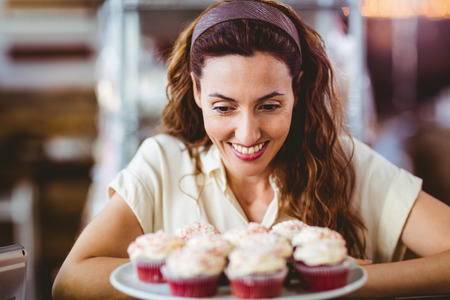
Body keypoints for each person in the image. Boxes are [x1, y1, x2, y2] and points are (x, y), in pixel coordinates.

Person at [52, 0, 450, 298]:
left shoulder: (346, 162)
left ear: (297, 89)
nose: (247, 134)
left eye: (269, 106)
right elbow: (70, 280)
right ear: (196, 91)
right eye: (224, 107)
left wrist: (344, 282)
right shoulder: (163, 164)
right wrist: (219, 274)